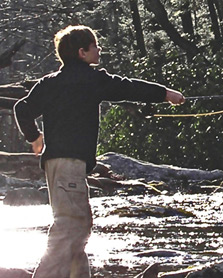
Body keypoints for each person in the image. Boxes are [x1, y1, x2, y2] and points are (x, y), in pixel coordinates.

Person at [14, 25, 185, 278]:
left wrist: (35, 138)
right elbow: (127, 87)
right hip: (69, 163)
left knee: (78, 226)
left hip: (58, 164)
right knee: (70, 226)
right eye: (95, 46)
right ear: (82, 52)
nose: (99, 49)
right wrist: (166, 94)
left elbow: (22, 109)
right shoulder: (90, 79)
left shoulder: (49, 83)